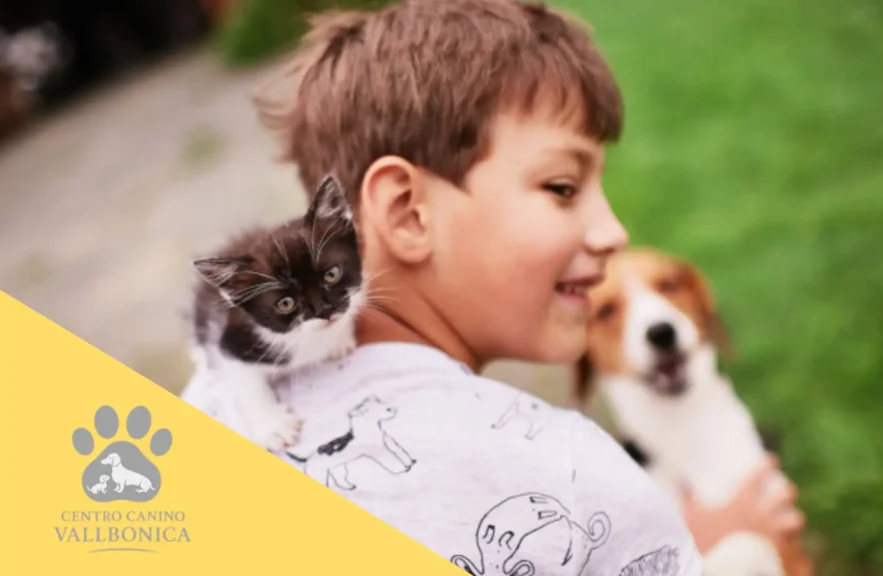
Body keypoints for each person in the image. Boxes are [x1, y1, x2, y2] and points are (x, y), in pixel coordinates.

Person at [181, 0, 805, 573]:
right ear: (407, 214)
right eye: (562, 187)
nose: (613, 231)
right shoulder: (572, 482)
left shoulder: (215, 393)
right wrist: (729, 546)